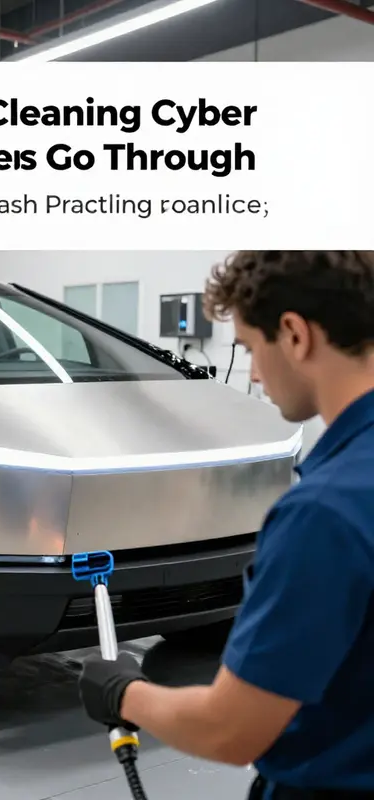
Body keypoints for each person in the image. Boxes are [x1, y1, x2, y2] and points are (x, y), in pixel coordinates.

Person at [78, 251, 374, 799]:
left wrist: (122, 691)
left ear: (294, 334)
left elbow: (230, 729)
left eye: (249, 348)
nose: (256, 373)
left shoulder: (323, 513)